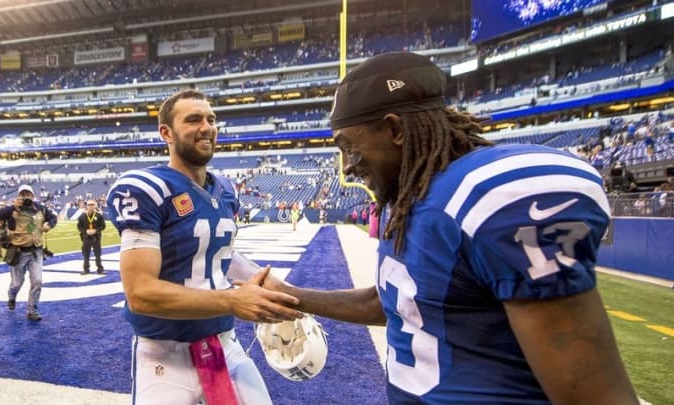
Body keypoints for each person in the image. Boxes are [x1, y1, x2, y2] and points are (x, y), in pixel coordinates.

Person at [258, 52, 639, 404]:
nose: (346, 166)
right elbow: (396, 303)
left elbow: (595, 395)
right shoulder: (410, 199)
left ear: (395, 130)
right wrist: (290, 297)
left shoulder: (492, 197)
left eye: (349, 146)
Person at [105, 89, 302, 405]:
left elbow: (219, 251)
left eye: (211, 119)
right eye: (193, 119)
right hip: (163, 356)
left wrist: (266, 282)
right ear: (166, 133)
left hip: (225, 344)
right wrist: (233, 301)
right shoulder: (146, 188)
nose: (207, 127)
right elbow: (140, 293)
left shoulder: (223, 188)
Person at [0, 185, 57, 321]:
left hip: (36, 251)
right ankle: (12, 296)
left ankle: (32, 310)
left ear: (33, 196)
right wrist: (12, 207)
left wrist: (49, 225)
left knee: (37, 281)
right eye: (23, 194)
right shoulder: (12, 210)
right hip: (18, 251)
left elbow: (53, 218)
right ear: (18, 196)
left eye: (28, 194)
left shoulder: (40, 208)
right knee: (17, 283)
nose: (26, 197)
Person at [77, 199, 106, 275]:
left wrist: (96, 230)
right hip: (86, 238)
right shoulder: (82, 216)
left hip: (96, 238)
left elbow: (103, 226)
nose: (90, 206)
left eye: (92, 204)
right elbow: (79, 227)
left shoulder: (99, 216)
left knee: (98, 255)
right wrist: (85, 231)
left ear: (95, 206)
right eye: (89, 205)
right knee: (86, 255)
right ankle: (86, 269)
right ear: (86, 206)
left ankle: (100, 269)